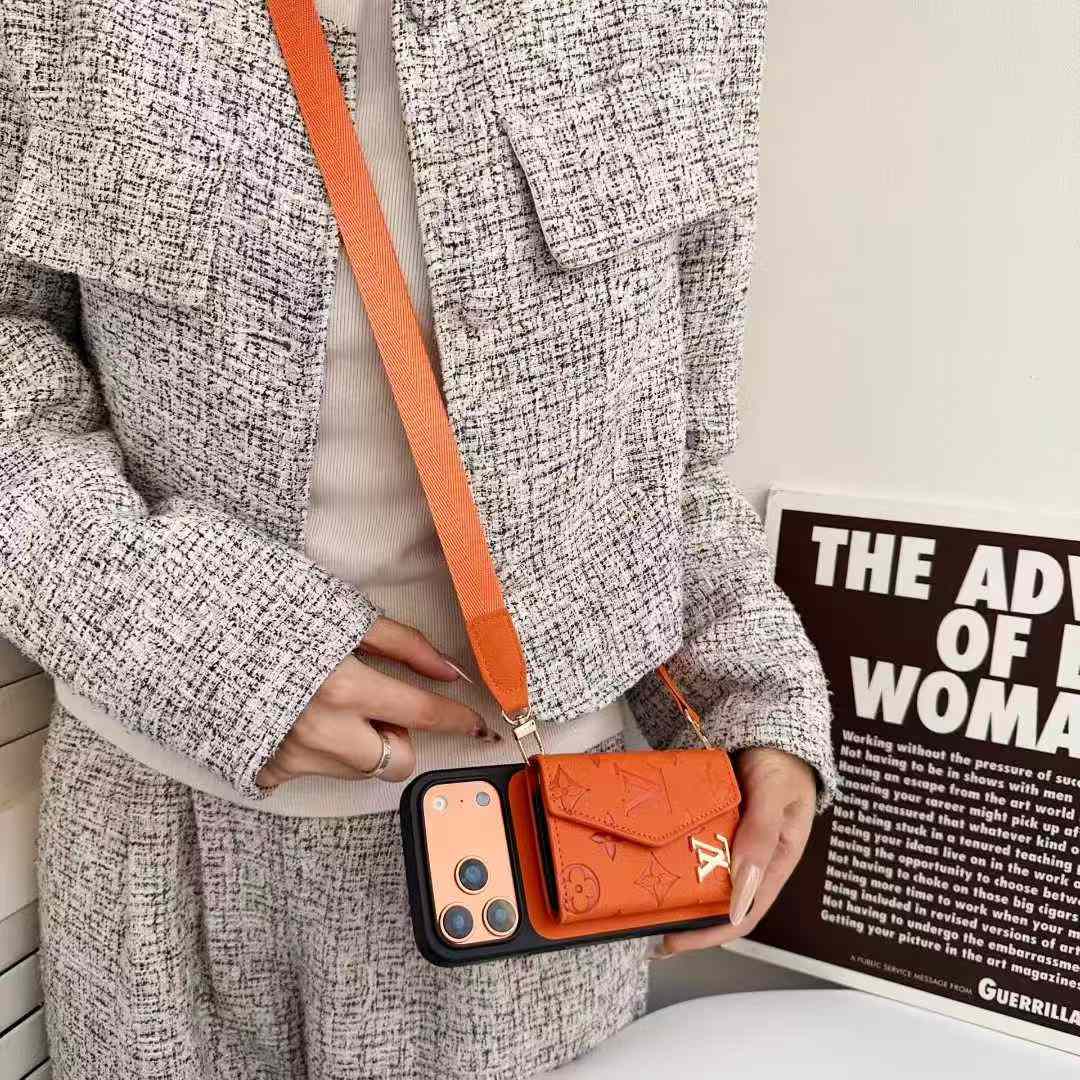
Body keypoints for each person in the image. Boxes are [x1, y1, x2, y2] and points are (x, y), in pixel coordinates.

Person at [0, 0, 837, 1077]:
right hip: (157, 851)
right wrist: (200, 644)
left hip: (540, 872)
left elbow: (667, 442)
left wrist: (754, 694)